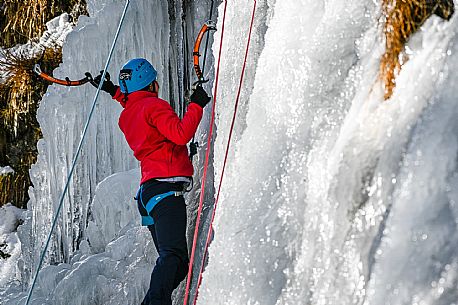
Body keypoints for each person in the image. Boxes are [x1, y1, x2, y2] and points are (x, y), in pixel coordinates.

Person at [91, 58, 210, 305]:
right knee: (172, 257)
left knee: (178, 265)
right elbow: (180, 134)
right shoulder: (154, 106)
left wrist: (114, 91)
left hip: (149, 194)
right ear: (152, 84)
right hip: (165, 190)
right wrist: (196, 106)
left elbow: (133, 102)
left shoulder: (129, 114)